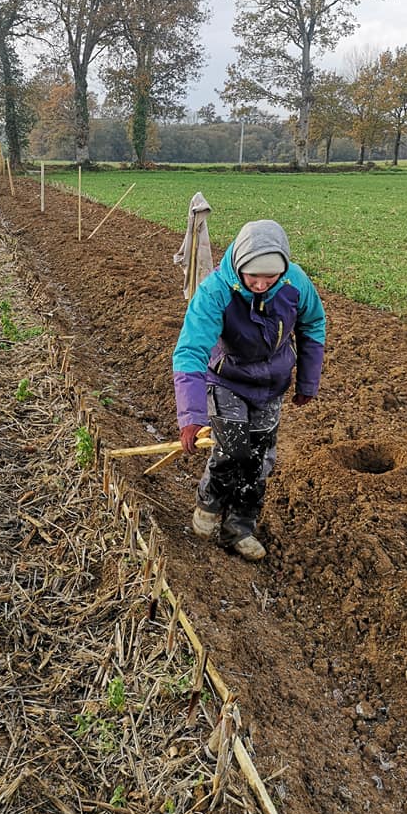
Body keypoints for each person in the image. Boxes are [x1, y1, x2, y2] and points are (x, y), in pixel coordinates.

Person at [173, 219, 326, 561]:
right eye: (252, 277)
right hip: (226, 379)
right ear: (238, 266)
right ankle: (209, 506)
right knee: (233, 449)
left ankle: (240, 528)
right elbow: (190, 351)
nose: (259, 284)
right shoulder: (216, 291)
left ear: (283, 270)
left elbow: (313, 324)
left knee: (259, 461)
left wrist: (307, 381)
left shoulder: (295, 283)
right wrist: (191, 414)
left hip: (272, 383)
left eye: (269, 278)